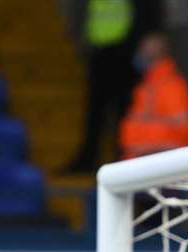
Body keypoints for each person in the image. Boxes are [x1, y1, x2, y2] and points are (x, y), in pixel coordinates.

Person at [69, 0, 139, 171]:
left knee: (122, 112)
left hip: (123, 54)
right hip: (98, 52)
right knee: (94, 113)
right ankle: (88, 159)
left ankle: (120, 160)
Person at [117, 33, 188, 160]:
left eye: (143, 51)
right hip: (145, 157)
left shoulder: (173, 86)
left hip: (164, 158)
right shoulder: (146, 86)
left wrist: (139, 135)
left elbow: (183, 130)